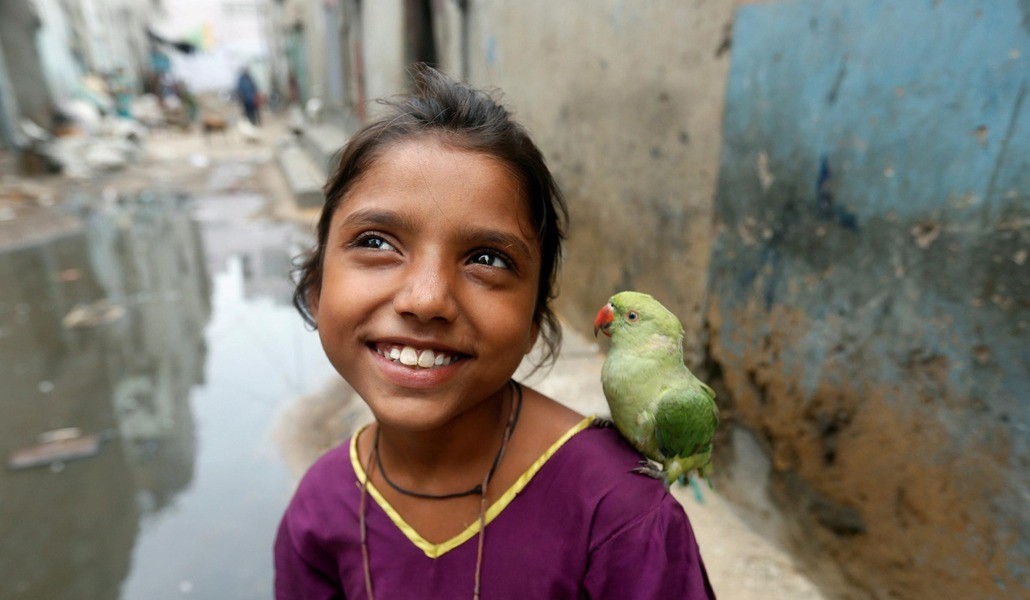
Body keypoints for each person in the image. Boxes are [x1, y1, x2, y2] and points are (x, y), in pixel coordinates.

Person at [274, 63, 716, 599]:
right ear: (318, 288)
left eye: (487, 258)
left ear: (534, 322)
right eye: (375, 242)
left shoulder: (621, 516)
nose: (426, 299)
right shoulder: (318, 507)